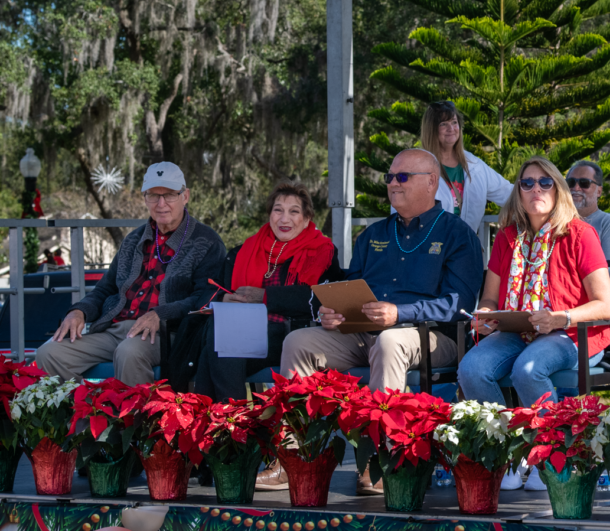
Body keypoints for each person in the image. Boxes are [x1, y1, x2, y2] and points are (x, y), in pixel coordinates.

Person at [259, 148, 483, 495]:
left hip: (432, 338)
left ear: (431, 183)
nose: (393, 183)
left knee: (390, 342)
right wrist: (333, 312)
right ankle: (292, 458)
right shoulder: (373, 234)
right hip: (364, 332)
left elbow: (460, 304)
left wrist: (400, 313)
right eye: (390, 177)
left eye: (403, 177)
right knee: (298, 342)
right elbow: (352, 287)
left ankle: (381, 461)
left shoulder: (457, 234)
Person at [458, 155, 610, 491]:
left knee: (527, 369)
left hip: (571, 331)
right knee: (471, 369)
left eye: (545, 183)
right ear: (518, 192)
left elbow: (605, 305)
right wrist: (485, 317)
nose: (535, 189)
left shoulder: (580, 235)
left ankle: (553, 456)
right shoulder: (507, 238)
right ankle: (511, 453)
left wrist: (561, 316)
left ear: (558, 190)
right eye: (527, 183)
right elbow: (489, 298)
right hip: (517, 330)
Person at [37, 162, 226, 385]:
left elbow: (206, 298)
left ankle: (134, 420)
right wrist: (79, 312)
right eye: (153, 195)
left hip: (167, 334)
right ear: (145, 199)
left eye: (170, 195)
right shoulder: (134, 240)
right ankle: (90, 416)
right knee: (48, 353)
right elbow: (106, 288)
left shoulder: (206, 241)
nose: (161, 203)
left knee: (129, 352)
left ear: (185, 196)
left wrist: (160, 314)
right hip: (116, 329)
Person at [186, 183, 344, 402]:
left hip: (290, 334)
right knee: (220, 340)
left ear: (307, 219)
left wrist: (264, 297)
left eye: (294, 211)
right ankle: (233, 421)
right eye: (278, 210)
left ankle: (221, 420)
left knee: (217, 344)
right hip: (243, 333)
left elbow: (319, 299)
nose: (284, 218)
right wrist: (224, 298)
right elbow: (212, 288)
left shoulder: (322, 251)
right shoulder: (244, 251)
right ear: (270, 214)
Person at [421, 100, 513, 235]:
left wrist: (544, 199)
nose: (451, 129)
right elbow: (404, 209)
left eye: (454, 122)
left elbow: (508, 193)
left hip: (465, 249)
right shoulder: (418, 165)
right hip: (430, 250)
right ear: (432, 129)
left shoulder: (474, 165)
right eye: (443, 124)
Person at [566, 160, 610, 261]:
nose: (576, 188)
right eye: (571, 183)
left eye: (584, 183)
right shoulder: (554, 223)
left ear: (599, 191)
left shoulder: (609, 225)